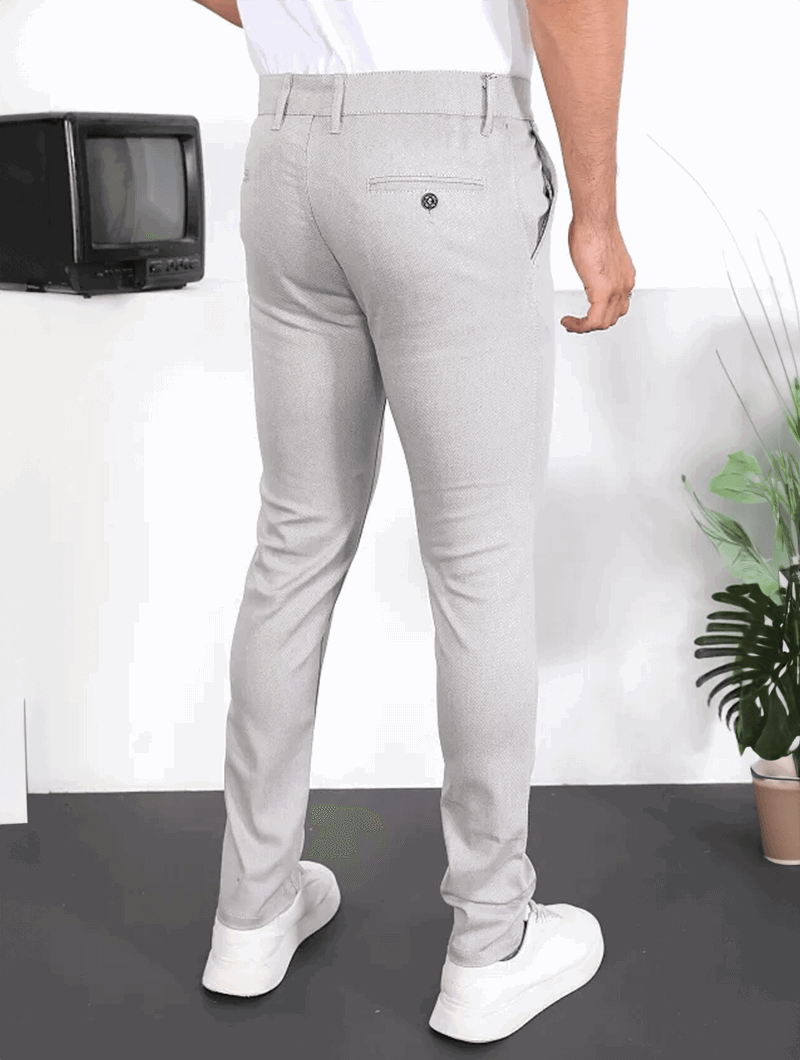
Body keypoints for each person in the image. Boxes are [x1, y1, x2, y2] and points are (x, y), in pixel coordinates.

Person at [195, 0, 634, 1044]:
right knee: (480, 561)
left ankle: (250, 910)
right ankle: (490, 941)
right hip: (443, 154)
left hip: (286, 152)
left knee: (294, 540)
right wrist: (596, 213)